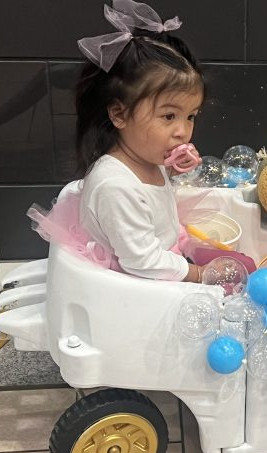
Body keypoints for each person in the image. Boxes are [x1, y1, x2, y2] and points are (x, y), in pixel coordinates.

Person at [30, 0, 206, 282]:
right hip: (134, 279)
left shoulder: (145, 155)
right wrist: (199, 274)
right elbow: (142, 261)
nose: (183, 131)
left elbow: (152, 197)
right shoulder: (115, 187)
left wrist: (173, 170)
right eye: (169, 116)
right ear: (119, 114)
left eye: (191, 116)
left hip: (160, 254)